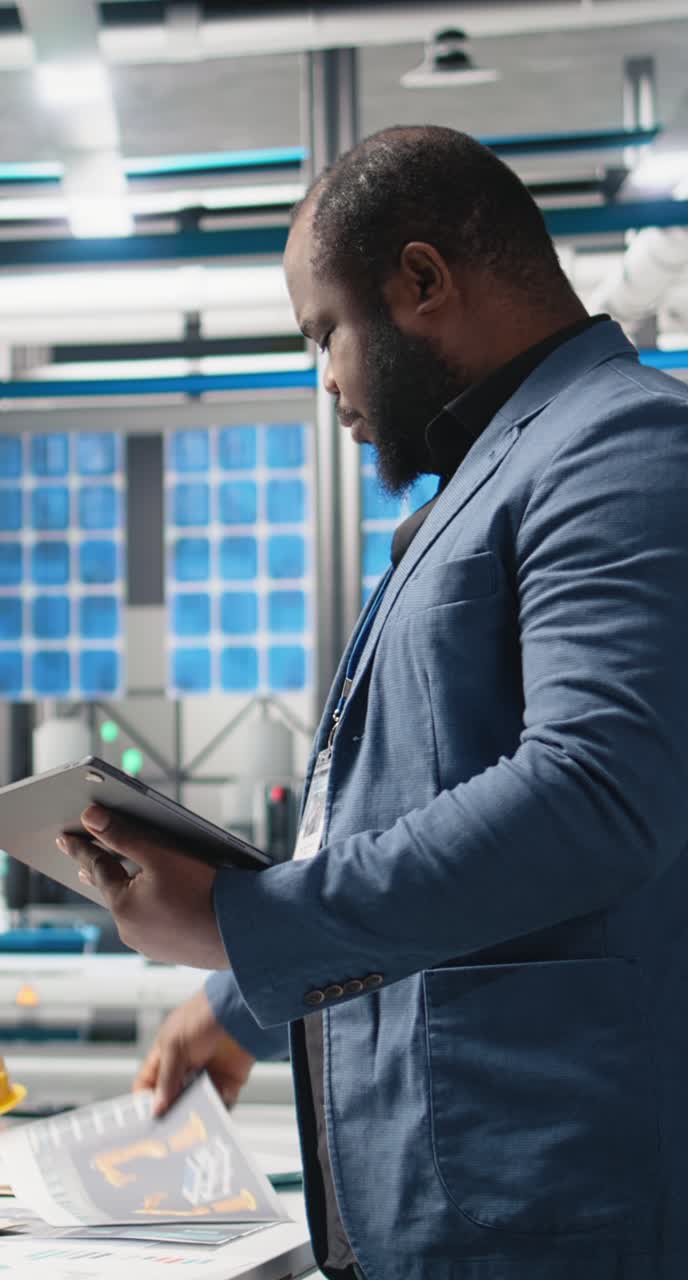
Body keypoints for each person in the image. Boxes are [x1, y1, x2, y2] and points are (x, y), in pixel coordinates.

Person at [59, 125, 688, 1279]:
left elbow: (595, 793)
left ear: (422, 280)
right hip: (441, 1205)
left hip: (548, 1215)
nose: (328, 378)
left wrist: (246, 925)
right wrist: (241, 999)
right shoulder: (497, 474)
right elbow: (417, 813)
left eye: (326, 333)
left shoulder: (622, 445)